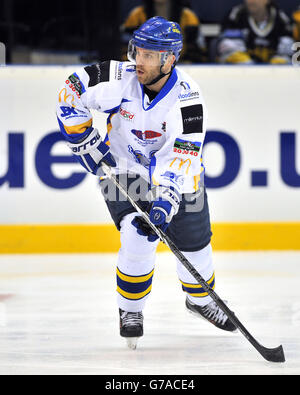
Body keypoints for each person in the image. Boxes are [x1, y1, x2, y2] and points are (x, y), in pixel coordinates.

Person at [56, 16, 236, 349]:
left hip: (179, 178)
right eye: (138, 51)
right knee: (137, 235)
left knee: (195, 248)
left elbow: (182, 158)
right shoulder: (118, 78)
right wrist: (83, 139)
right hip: (123, 168)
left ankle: (199, 300)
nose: (140, 60)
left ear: (171, 59)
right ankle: (130, 310)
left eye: (150, 55)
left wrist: (167, 200)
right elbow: (71, 90)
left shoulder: (188, 102)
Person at [121, 0, 206, 63]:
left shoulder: (189, 16)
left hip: (181, 63)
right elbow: (126, 44)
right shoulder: (136, 14)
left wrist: (188, 61)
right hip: (144, 63)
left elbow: (197, 47)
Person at [217, 0, 294, 64]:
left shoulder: (282, 19)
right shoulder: (235, 16)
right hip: (241, 75)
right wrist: (251, 68)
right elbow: (229, 50)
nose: (251, 1)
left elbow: (286, 53)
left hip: (273, 77)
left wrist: (273, 69)